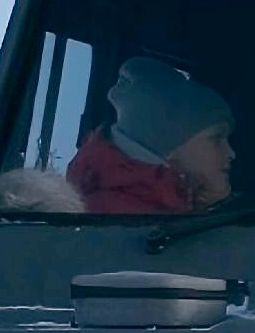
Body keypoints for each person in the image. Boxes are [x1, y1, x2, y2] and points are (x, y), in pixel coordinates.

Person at [66, 53, 237, 217]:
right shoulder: (118, 221)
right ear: (168, 144)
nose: (231, 153)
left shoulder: (167, 212)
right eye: (216, 138)